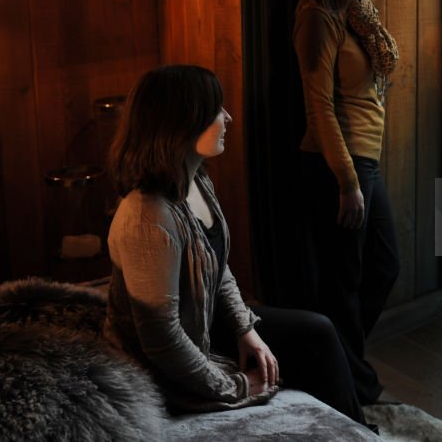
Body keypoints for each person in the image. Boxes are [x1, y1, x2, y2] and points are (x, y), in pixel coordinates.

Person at [102, 64, 364, 423]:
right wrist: (235, 386)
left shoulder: (196, 180)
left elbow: (217, 266)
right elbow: (162, 341)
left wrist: (246, 330)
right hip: (162, 363)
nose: (228, 117)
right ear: (182, 121)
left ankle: (357, 428)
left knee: (318, 331)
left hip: (202, 323)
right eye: (215, 110)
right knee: (311, 343)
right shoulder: (148, 219)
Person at [294, 0, 400, 405]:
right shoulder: (319, 14)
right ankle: (351, 390)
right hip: (339, 165)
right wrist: (346, 180)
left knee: (383, 266)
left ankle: (341, 366)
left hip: (364, 161)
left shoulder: (357, 9)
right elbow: (319, 105)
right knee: (344, 283)